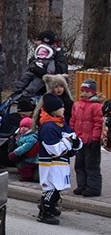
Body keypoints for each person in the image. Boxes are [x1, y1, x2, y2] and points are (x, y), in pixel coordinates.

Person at [36, 92, 80, 225]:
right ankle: (45, 210)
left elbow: (71, 135)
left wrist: (75, 143)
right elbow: (54, 149)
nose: (64, 109)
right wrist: (69, 143)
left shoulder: (61, 123)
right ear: (54, 110)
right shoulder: (48, 127)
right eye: (61, 107)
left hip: (61, 163)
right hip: (51, 164)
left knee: (59, 185)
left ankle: (52, 204)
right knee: (52, 186)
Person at [71, 79, 103, 197]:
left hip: (91, 141)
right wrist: (72, 135)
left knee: (91, 165)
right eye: (83, 91)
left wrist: (95, 139)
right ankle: (82, 185)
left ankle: (93, 187)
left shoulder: (96, 106)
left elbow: (98, 123)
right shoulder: (77, 105)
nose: (84, 94)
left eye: (87, 92)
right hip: (79, 140)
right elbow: (73, 121)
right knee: (79, 164)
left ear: (93, 93)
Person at [7, 116, 39, 182]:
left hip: (31, 159)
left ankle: (27, 177)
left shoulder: (31, 137)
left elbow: (24, 147)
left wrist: (15, 153)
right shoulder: (23, 136)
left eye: (26, 127)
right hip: (28, 157)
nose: (23, 128)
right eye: (22, 127)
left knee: (23, 166)